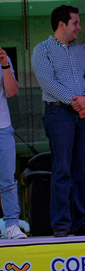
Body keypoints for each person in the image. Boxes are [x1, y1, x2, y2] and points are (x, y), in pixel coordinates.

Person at [32, 5, 85, 237]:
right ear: (62, 24)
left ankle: (83, 222)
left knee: (84, 169)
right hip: (59, 114)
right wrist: (75, 102)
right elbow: (47, 83)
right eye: (75, 23)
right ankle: (61, 224)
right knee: (62, 169)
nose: (79, 28)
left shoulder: (83, 50)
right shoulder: (42, 50)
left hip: (84, 115)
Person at [0, 47, 26, 239]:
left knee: (7, 180)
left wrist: (5, 65)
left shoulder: (4, 59)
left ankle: (12, 225)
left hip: (2, 127)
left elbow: (12, 91)